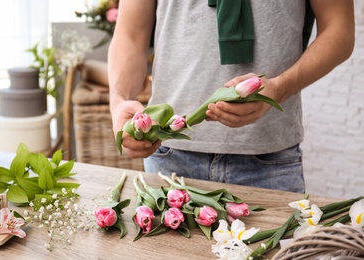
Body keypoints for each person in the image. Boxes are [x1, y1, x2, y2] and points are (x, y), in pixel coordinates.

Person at [108, 0, 355, 193]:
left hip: (269, 159)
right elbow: (130, 35)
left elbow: (339, 30)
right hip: (168, 155)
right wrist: (119, 101)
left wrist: (278, 88)